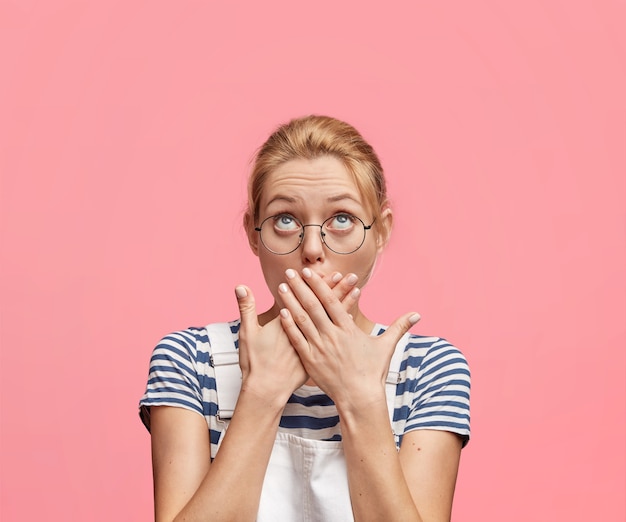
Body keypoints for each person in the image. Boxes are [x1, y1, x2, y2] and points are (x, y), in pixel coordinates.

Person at [139, 114, 471, 521]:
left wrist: (361, 397)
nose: (312, 247)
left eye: (342, 219)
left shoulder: (430, 369)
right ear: (253, 233)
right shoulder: (189, 360)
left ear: (381, 231)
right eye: (285, 220)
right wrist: (261, 395)